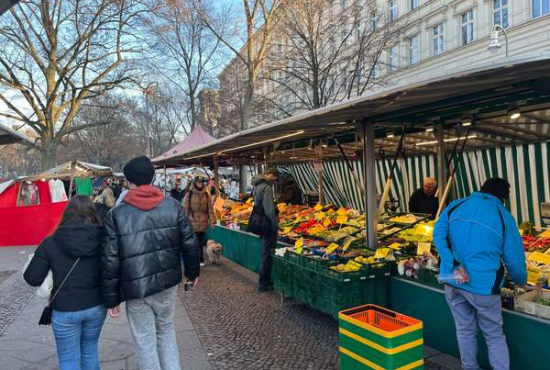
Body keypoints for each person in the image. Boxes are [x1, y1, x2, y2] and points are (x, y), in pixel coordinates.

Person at [101, 156, 200, 370]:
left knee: (145, 341)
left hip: (136, 288)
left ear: (128, 181)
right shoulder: (172, 206)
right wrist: (193, 273)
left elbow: (110, 259)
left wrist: (111, 298)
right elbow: (189, 242)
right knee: (165, 329)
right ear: (152, 177)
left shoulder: (115, 214)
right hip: (167, 282)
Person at [433, 178, 527, 370]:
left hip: (453, 281)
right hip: (483, 286)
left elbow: (438, 234)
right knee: (493, 335)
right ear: (503, 197)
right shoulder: (503, 215)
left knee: (464, 329)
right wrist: (520, 281)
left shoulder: (456, 205)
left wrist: (452, 263)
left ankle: (469, 367)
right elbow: (514, 258)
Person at [23, 195, 106, 370]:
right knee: (90, 351)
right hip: (96, 305)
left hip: (64, 309)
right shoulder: (103, 238)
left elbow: (32, 277)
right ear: (94, 213)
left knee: (69, 358)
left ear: (66, 213)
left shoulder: (51, 242)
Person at [251, 168, 280, 292]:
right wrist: (275, 224)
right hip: (267, 224)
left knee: (264, 252)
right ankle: (264, 283)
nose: (275, 180)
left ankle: (263, 281)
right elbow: (269, 210)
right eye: (275, 178)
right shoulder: (267, 188)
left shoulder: (257, 186)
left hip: (260, 222)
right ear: (271, 175)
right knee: (267, 254)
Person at [182, 177, 216, 266]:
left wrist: (212, 221)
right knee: (195, 242)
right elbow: (185, 209)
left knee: (200, 243)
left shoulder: (206, 194)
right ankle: (198, 259)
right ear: (195, 183)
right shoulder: (189, 194)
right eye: (199, 182)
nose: (200, 184)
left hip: (203, 222)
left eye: (202, 182)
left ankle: (199, 259)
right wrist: (184, 222)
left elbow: (210, 209)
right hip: (192, 222)